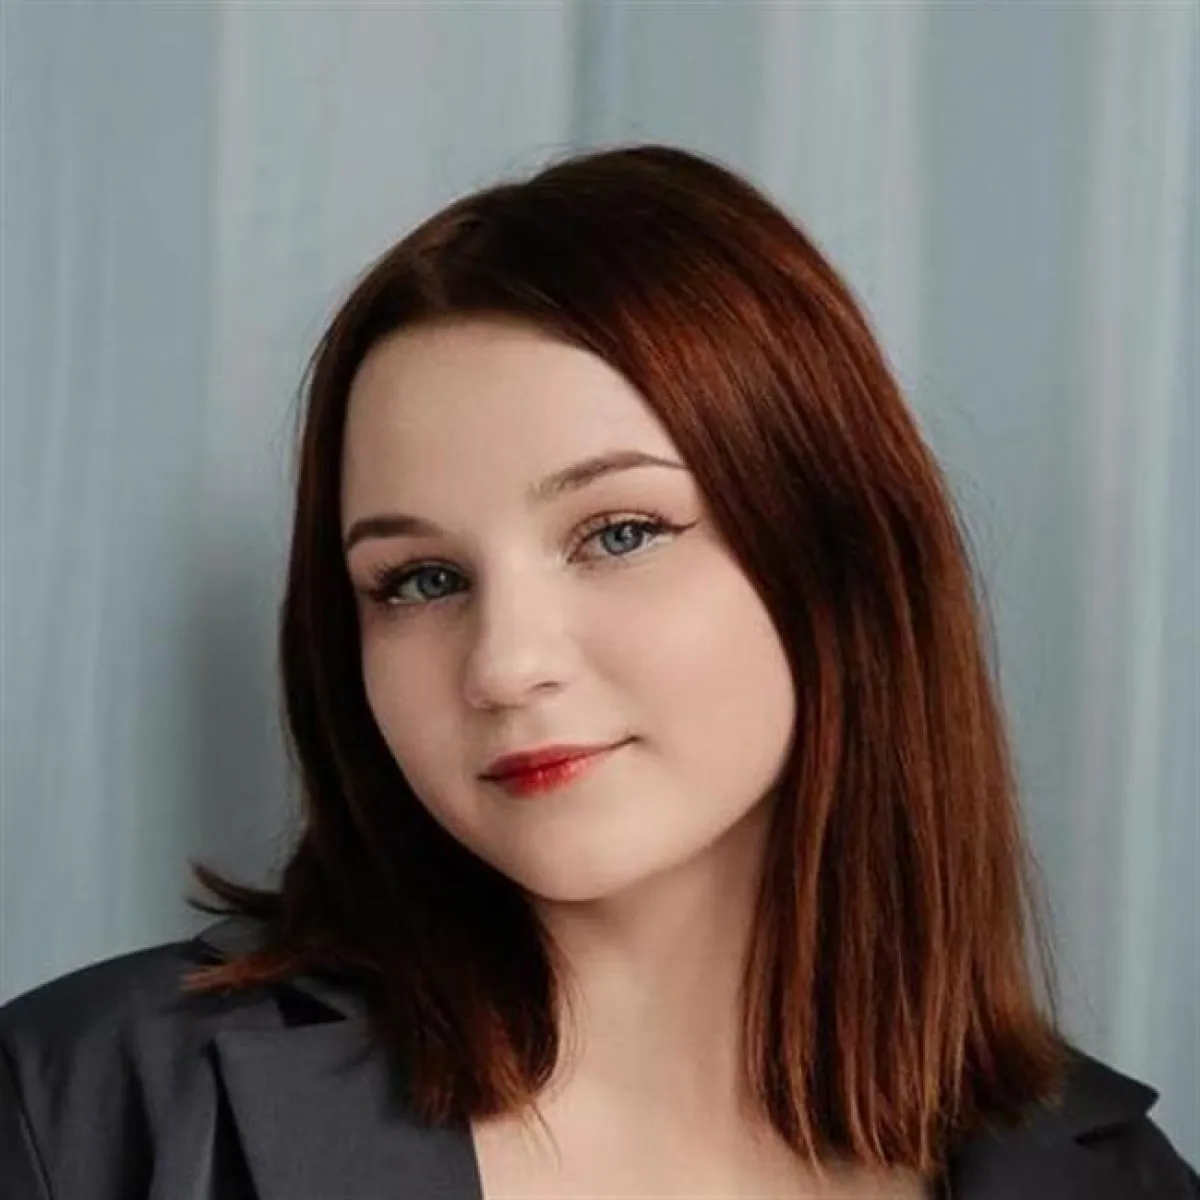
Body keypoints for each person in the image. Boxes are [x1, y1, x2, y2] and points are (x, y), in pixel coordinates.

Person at [1, 144, 1195, 1200]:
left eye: (619, 533)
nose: (506, 666)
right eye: (419, 579)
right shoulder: (89, 1110)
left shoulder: (1109, 1182)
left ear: (839, 560)